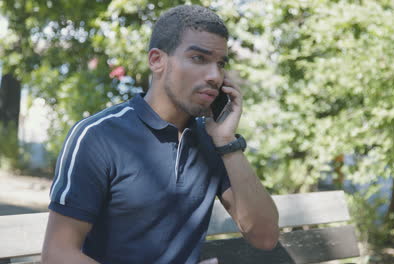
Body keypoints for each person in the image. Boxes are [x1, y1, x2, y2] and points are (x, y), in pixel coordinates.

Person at [41, 4, 279, 264]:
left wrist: (227, 142)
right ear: (157, 61)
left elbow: (265, 237)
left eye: (220, 64)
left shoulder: (214, 143)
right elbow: (58, 254)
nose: (215, 76)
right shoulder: (99, 136)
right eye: (199, 58)